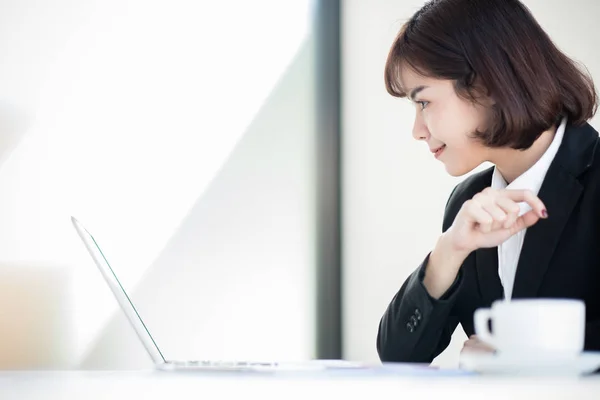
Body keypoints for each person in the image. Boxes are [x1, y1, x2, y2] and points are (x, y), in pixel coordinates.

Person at [376, 0, 600, 363]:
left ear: (486, 84)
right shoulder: (468, 202)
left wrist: (518, 354)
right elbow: (398, 356)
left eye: (424, 103)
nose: (417, 130)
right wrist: (447, 252)